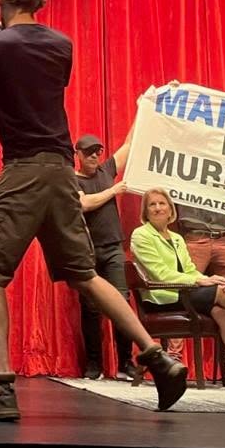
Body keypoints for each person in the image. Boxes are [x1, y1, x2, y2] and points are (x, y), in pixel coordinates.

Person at [0, 0, 187, 421]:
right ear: (42, 1)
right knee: (85, 275)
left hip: (22, 172)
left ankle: (1, 391)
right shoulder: (62, 45)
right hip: (62, 173)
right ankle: (156, 356)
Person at [130, 189, 225, 390]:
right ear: (145, 211)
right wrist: (199, 282)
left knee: (222, 312)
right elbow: (160, 274)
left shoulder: (177, 238)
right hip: (162, 297)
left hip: (182, 293)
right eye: (152, 205)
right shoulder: (141, 235)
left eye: (162, 203)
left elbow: (189, 269)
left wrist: (209, 278)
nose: (158, 208)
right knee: (222, 292)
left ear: (171, 208)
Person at [72, 133, 139, 381]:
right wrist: (114, 190)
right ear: (77, 154)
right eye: (88, 152)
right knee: (90, 309)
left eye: (97, 152)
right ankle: (94, 364)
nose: (93, 156)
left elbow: (129, 144)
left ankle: (125, 362)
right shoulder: (72, 179)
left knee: (121, 301)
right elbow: (84, 204)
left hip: (112, 248)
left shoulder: (106, 169)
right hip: (86, 250)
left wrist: (142, 105)